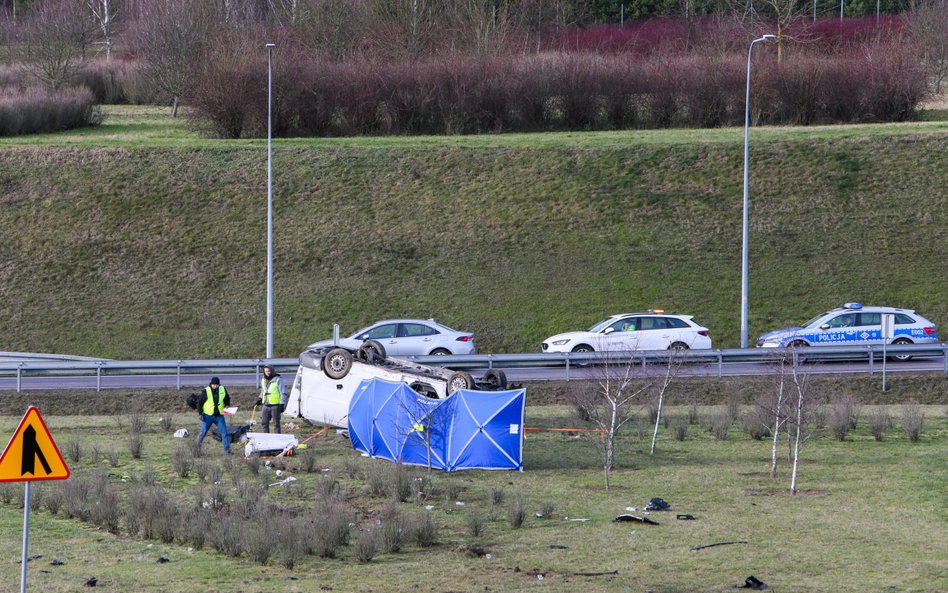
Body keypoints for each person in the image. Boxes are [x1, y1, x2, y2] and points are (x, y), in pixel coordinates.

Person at [195, 377, 231, 454]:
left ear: (219, 384)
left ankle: (227, 450)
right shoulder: (206, 391)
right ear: (211, 384)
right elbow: (199, 403)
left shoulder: (223, 389)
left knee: (224, 432)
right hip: (208, 416)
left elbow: (227, 398)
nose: (215, 386)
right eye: (213, 385)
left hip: (219, 416)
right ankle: (195, 448)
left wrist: (227, 404)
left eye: (216, 385)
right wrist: (200, 413)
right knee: (203, 432)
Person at [259, 365, 286, 433]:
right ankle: (266, 437)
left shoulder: (278, 379)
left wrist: (282, 404)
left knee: (276, 424)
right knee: (264, 423)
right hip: (266, 405)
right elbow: (263, 390)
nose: (267, 373)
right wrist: (260, 398)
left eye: (268, 371)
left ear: (272, 371)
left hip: (275, 405)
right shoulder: (263, 379)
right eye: (265, 371)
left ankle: (277, 438)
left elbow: (283, 392)